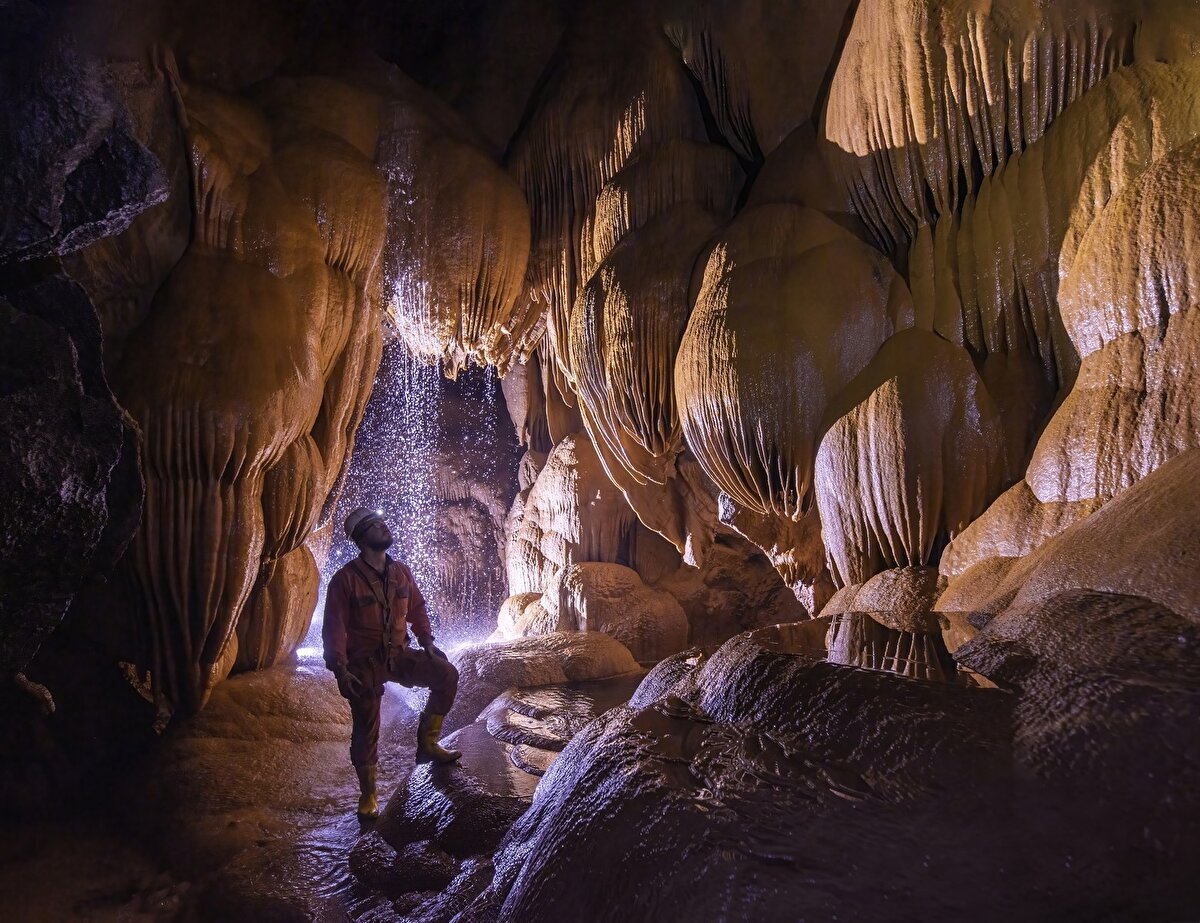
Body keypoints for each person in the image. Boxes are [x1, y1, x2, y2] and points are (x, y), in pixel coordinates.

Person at [323, 507, 461, 819]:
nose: (384, 527)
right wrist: (341, 669)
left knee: (446, 675)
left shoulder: (400, 572)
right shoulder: (345, 581)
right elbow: (333, 629)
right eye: (376, 525)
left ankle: (428, 745)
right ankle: (369, 794)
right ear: (361, 538)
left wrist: (427, 642)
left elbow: (417, 608)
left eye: (384, 523)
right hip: (364, 664)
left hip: (399, 655)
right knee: (366, 726)